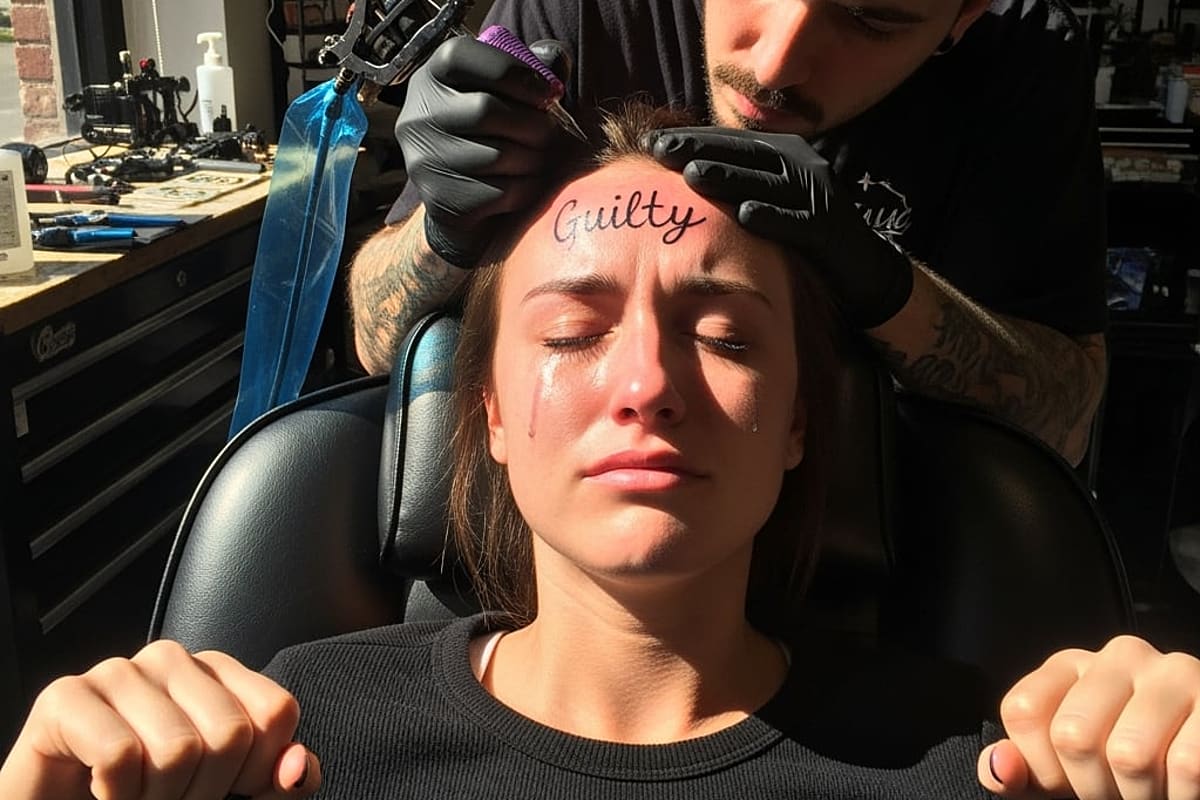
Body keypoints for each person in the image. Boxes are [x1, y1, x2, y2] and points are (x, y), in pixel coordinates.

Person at [2, 106, 1194, 800]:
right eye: (574, 331)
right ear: (488, 417)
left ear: (798, 421)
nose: (648, 384)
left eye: (726, 336)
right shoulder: (285, 742)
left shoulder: (977, 762)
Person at [348, 0, 1109, 467]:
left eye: (871, 19)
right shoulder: (588, 11)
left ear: (964, 14)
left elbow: (1067, 419)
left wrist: (885, 287)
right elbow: (377, 344)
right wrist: (443, 232)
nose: (775, 64)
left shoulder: (1022, 60)